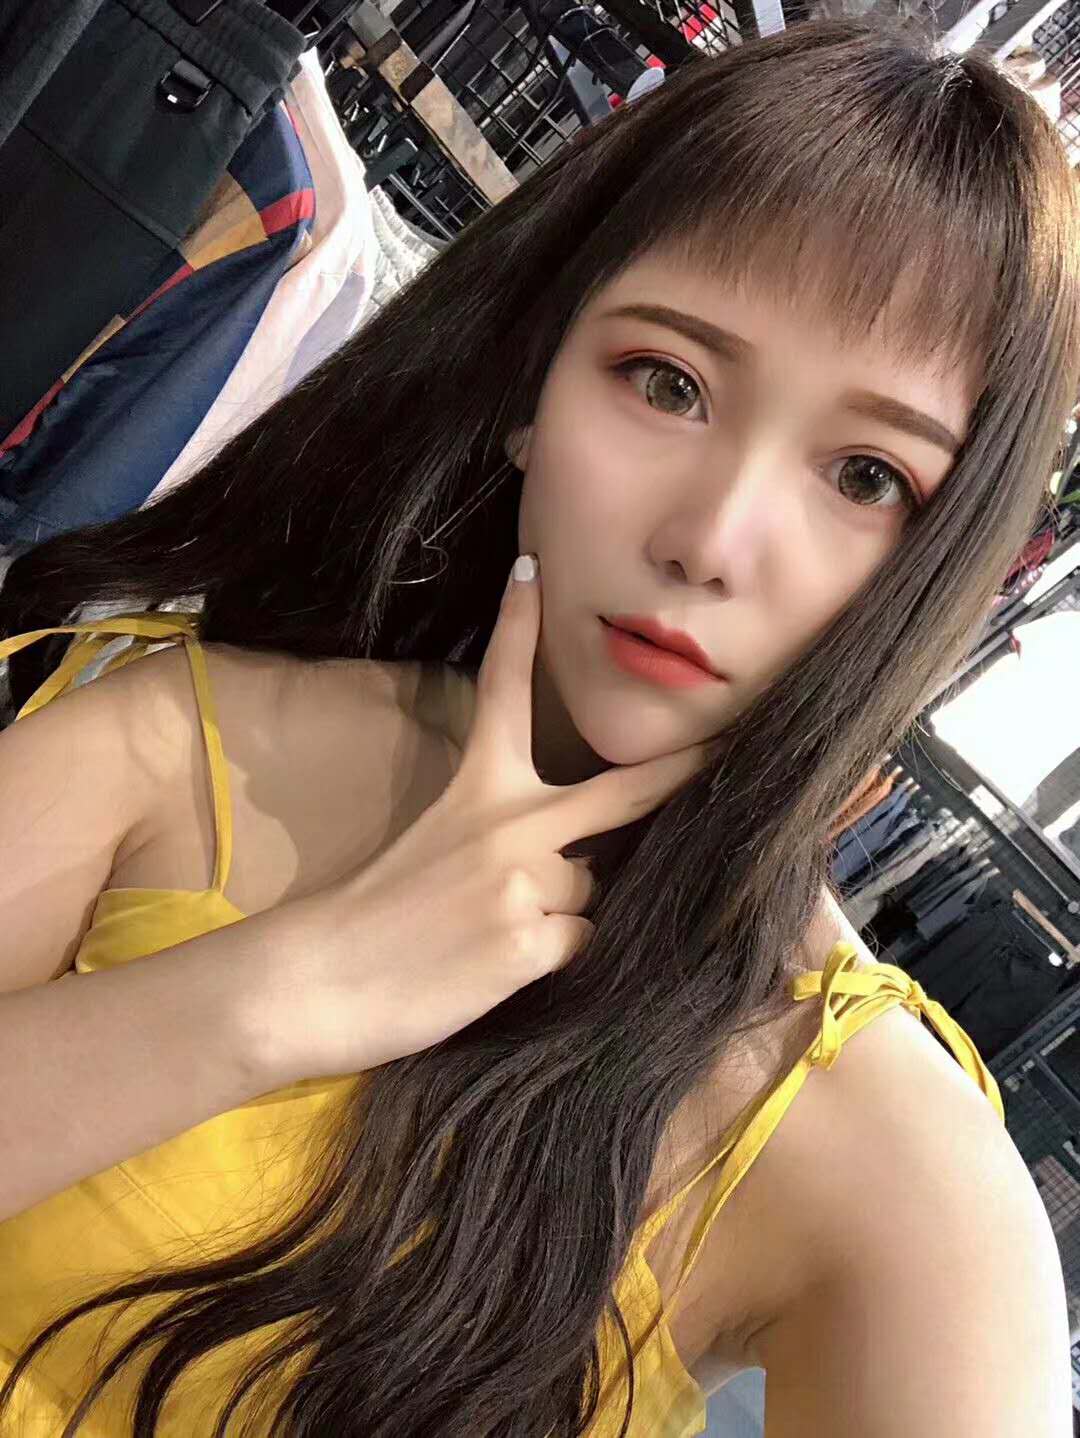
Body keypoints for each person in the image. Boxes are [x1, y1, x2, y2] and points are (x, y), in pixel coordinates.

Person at [0, 18, 1076, 1437]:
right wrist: (285, 989)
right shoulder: (170, 738)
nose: (711, 539)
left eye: (867, 477)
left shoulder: (877, 1162)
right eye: (669, 383)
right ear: (532, 389)